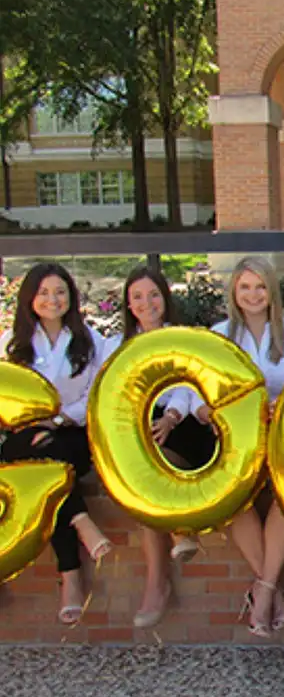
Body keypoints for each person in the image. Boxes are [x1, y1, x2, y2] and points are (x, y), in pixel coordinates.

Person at [192, 257, 284, 637]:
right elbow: (194, 395)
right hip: (236, 445)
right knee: (234, 499)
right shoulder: (216, 338)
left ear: (272, 292)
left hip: (282, 440)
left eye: (260, 287)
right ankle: (270, 590)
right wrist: (206, 411)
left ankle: (262, 592)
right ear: (234, 292)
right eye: (245, 287)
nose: (253, 295)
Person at [102, 266, 216, 628]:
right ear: (128, 303)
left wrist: (170, 417)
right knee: (140, 472)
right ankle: (170, 553)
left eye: (153, 295)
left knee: (152, 469)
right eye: (137, 297)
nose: (146, 303)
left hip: (179, 422)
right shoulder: (116, 345)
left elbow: (189, 384)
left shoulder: (180, 338)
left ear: (165, 299)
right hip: (134, 425)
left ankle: (163, 571)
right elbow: (109, 396)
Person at [0, 263, 109, 623]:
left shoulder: (90, 341)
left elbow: (96, 395)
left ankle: (71, 579)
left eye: (60, 292)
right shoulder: (11, 346)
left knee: (52, 468)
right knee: (42, 456)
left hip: (72, 433)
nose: (52, 299)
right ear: (30, 298)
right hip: (24, 438)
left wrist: (59, 419)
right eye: (44, 293)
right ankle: (81, 522)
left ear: (71, 298)